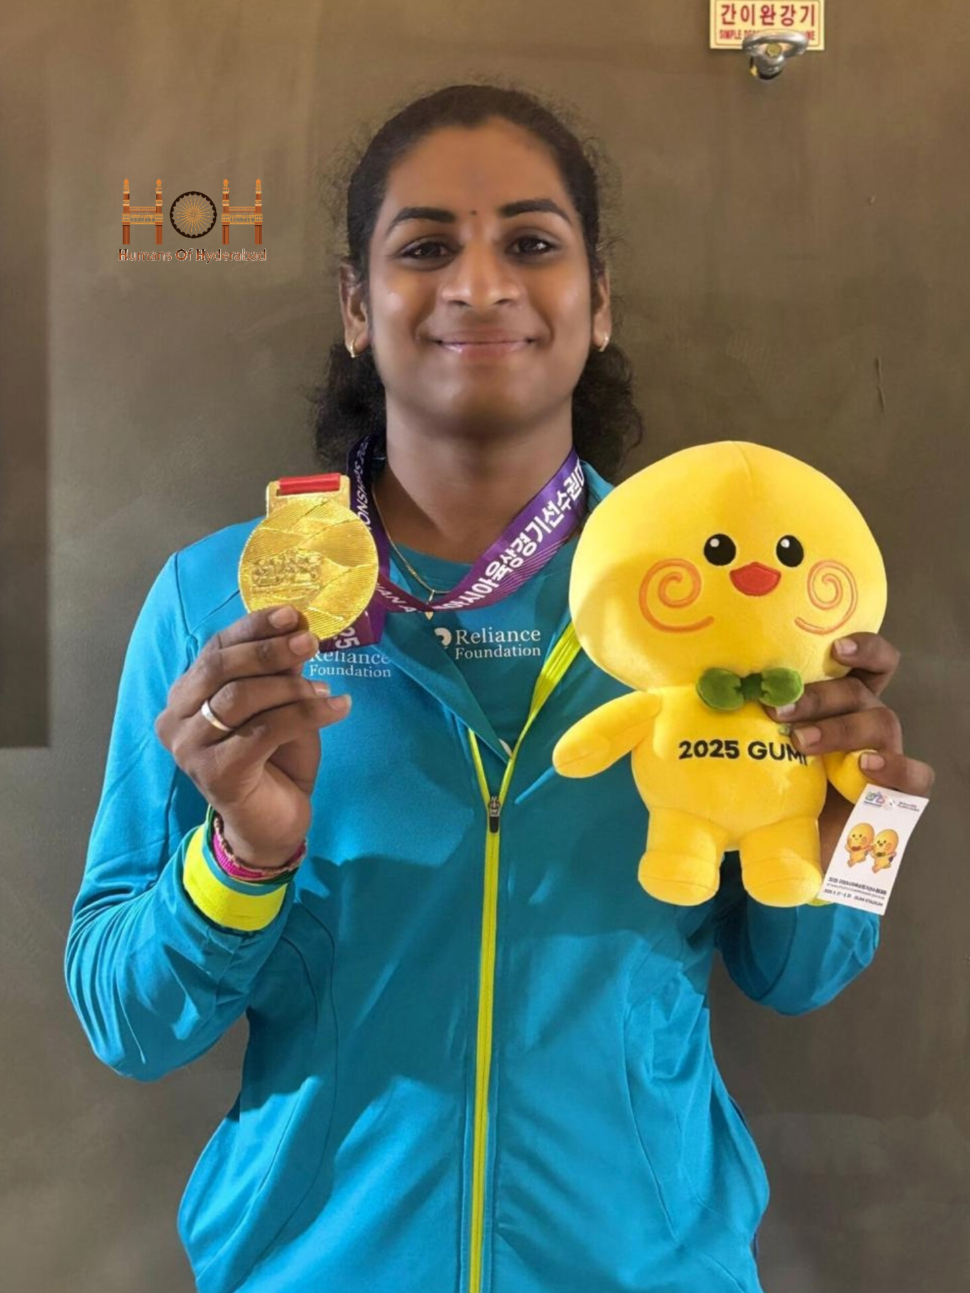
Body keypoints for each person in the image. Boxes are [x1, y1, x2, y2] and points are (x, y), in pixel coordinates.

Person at [64, 82, 935, 1293]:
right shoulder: (221, 608)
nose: (480, 285)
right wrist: (242, 857)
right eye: (426, 249)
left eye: (530, 243)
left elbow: (803, 979)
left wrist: (864, 829)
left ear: (598, 300)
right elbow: (125, 1021)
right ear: (357, 308)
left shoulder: (734, 602)